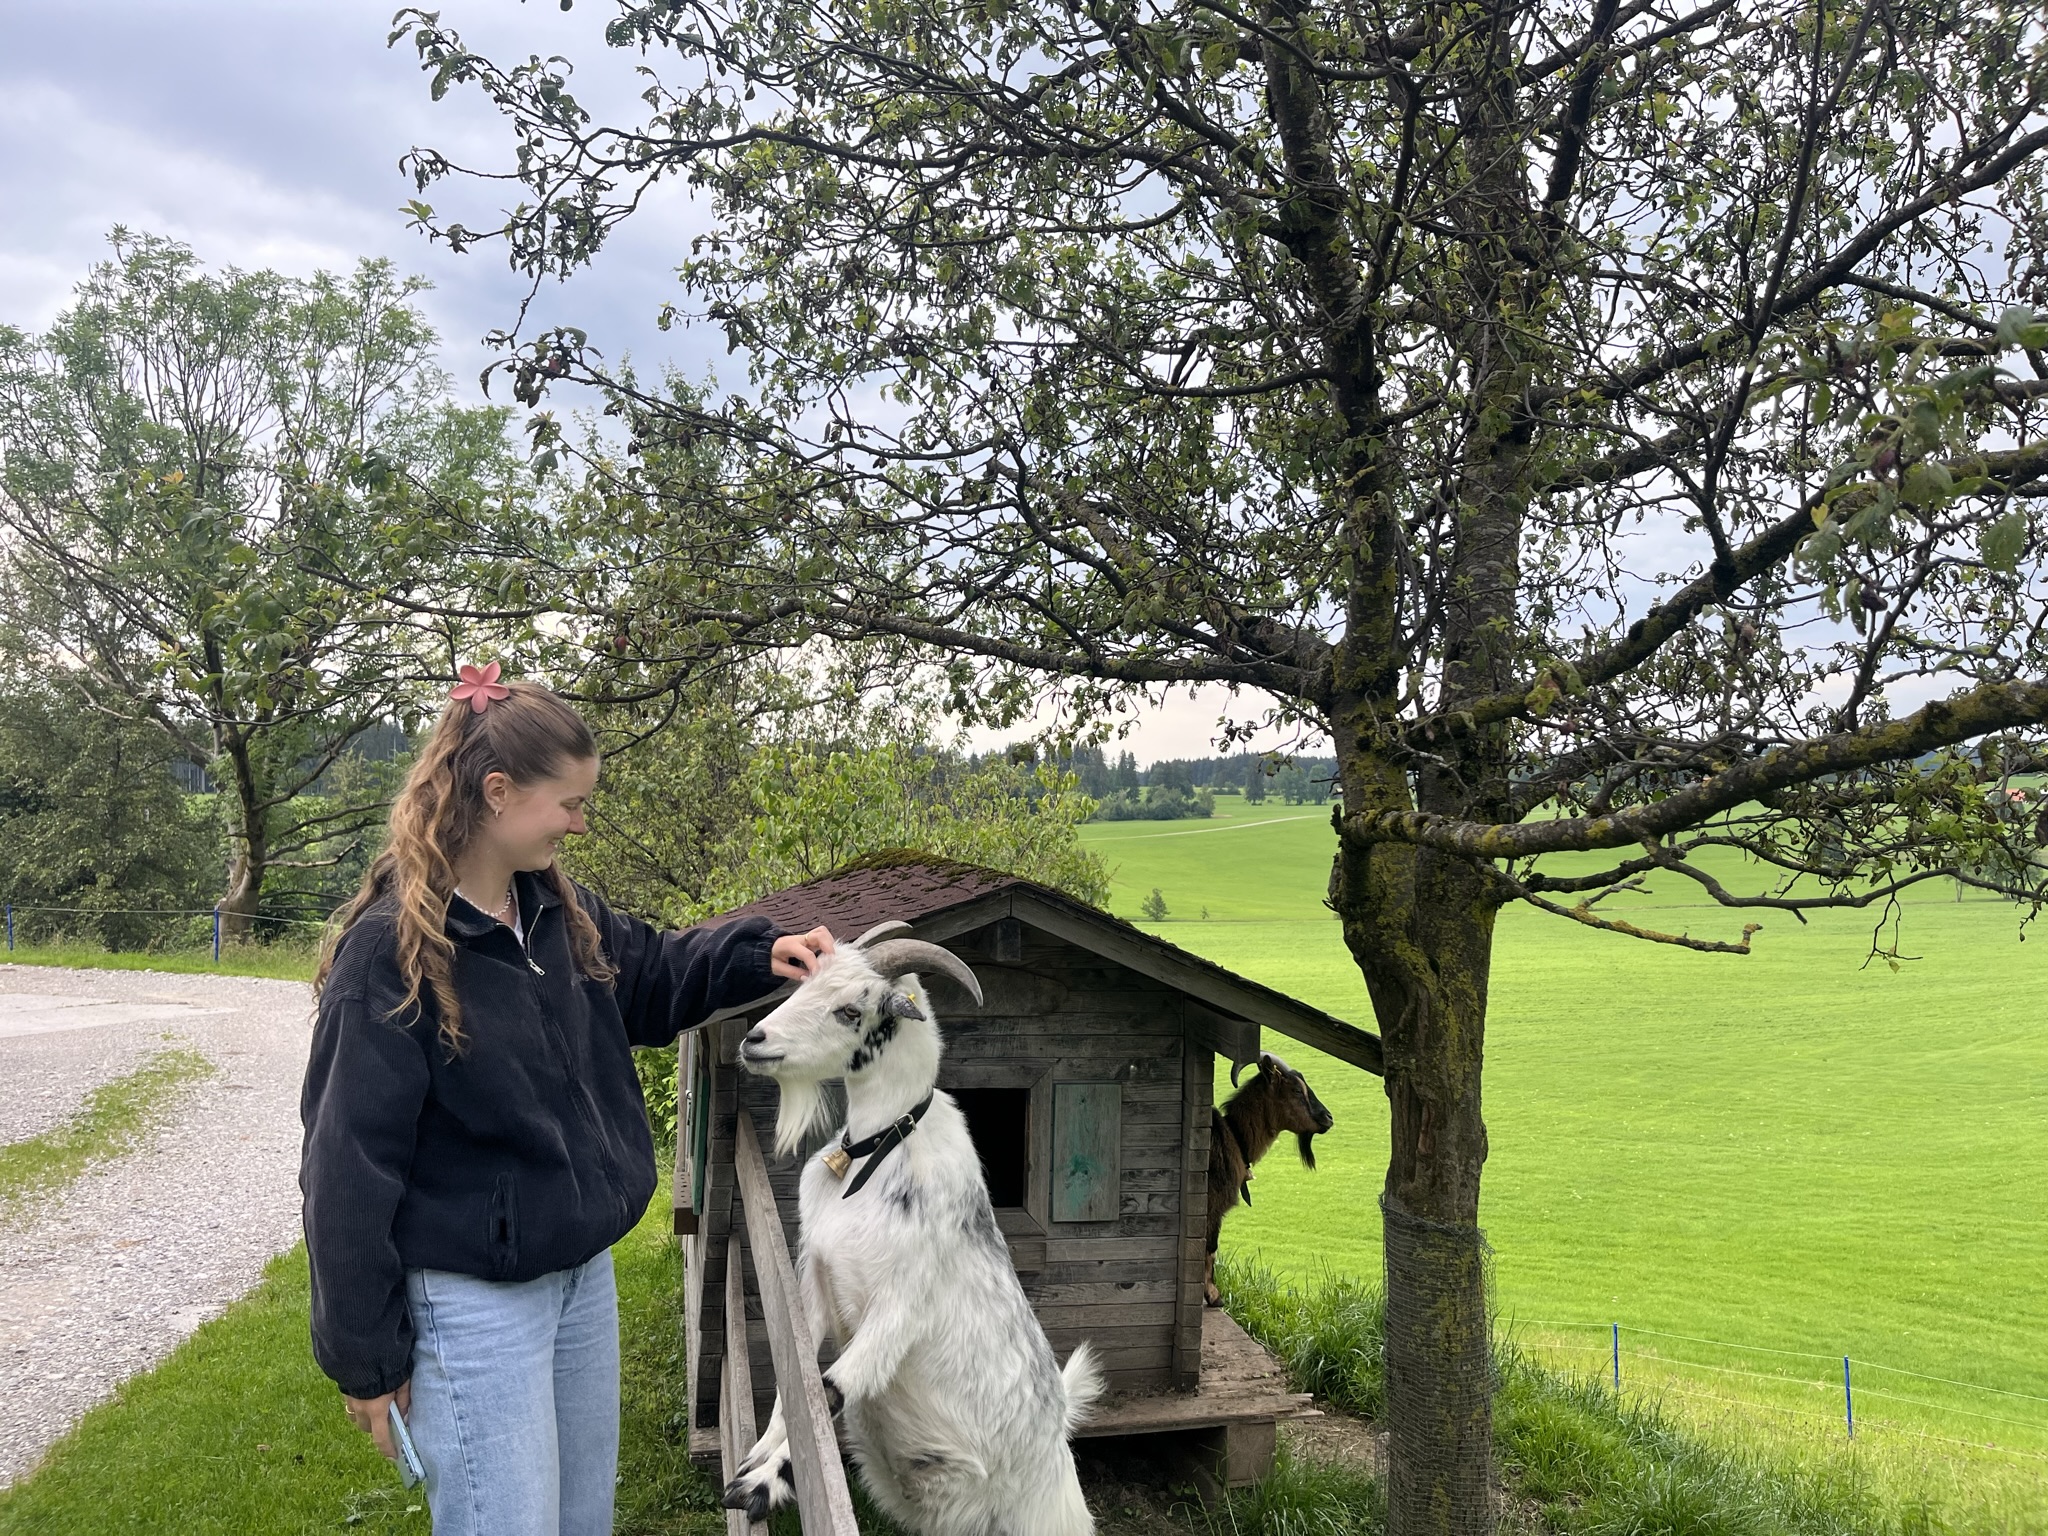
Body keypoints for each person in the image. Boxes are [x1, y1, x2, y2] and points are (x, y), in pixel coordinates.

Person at [300, 666, 832, 1536]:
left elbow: (653, 975)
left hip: (580, 1279)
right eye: (571, 804)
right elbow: (345, 1168)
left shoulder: (554, 909)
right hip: (476, 1304)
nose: (582, 824)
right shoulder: (388, 958)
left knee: (582, 1519)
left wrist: (757, 954)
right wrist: (364, 1359)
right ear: (499, 792)